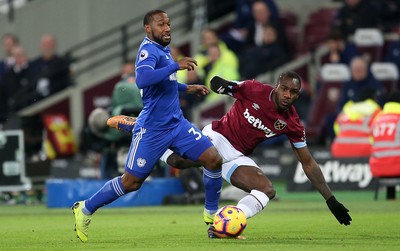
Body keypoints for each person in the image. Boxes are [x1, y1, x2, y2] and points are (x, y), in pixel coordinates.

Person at [108, 72, 353, 238]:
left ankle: (225, 224)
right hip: (217, 137)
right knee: (180, 162)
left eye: (293, 93)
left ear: (298, 96)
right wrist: (222, 85)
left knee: (267, 191)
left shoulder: (292, 124)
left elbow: (308, 163)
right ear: (277, 86)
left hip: (236, 156)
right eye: (285, 89)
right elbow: (221, 84)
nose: (287, 95)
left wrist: (330, 200)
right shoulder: (255, 89)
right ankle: (140, 127)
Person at [72, 9, 223, 243]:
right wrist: (176, 66)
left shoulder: (162, 48)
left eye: (169, 23)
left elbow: (163, 82)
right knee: (131, 183)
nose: (167, 28)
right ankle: (85, 208)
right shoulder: (147, 50)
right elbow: (143, 80)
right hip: (152, 129)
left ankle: (211, 217)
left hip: (176, 123)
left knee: (213, 158)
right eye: (161, 24)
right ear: (148, 28)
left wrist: (187, 89)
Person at [331, 88, 381, 158]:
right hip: (364, 151)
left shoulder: (347, 109)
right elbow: (379, 133)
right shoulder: (375, 110)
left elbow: (336, 128)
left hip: (339, 150)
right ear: (373, 99)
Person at [370, 91, 400, 199]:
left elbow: (371, 142)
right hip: (397, 165)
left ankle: (390, 197)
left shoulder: (377, 118)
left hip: (378, 166)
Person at [30, 34, 72, 101]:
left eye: (49, 44)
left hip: (57, 99)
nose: (47, 47)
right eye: (45, 45)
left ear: (54, 46)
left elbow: (65, 82)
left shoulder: (61, 63)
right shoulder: (33, 65)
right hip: (37, 102)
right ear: (40, 46)